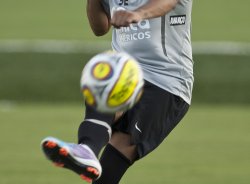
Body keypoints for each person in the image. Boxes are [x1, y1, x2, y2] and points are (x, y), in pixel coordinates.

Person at [41, 0, 194, 183]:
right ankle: (87, 149)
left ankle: (88, 149)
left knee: (118, 154)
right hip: (127, 72)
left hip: (167, 81)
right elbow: (99, 28)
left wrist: (138, 14)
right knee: (103, 77)